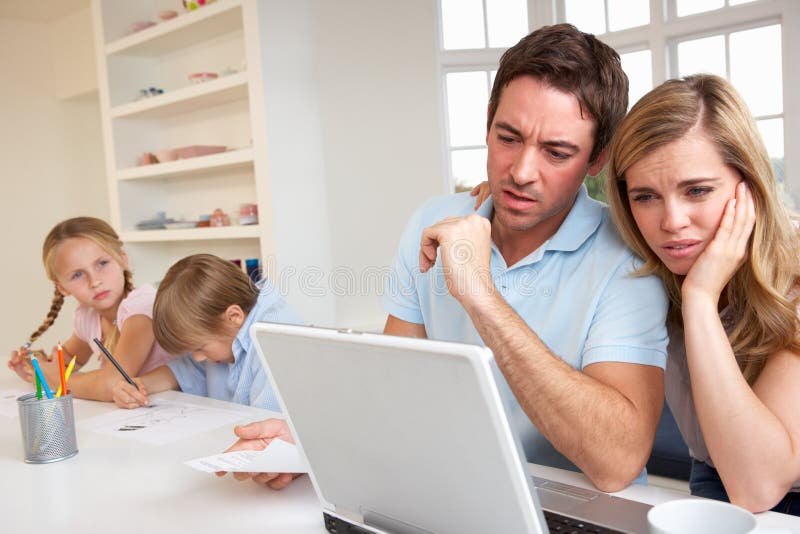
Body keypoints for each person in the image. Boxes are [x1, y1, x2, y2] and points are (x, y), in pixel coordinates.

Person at [379, 23, 669, 492]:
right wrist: (307, 437)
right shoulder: (430, 221)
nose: (520, 172)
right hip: (454, 488)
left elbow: (617, 460)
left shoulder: (629, 258)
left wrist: (482, 298)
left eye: (557, 152)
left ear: (597, 159)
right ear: (489, 118)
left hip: (572, 505)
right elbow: (393, 389)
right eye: (508, 137)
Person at [605, 74, 800, 514]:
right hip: (710, 480)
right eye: (646, 196)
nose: (672, 221)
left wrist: (699, 300)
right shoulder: (643, 270)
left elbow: (757, 486)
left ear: (748, 182)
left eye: (697, 190)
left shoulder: (795, 277)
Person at [7, 217, 174, 401]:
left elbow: (111, 384)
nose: (95, 281)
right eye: (78, 274)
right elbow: (70, 360)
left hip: (180, 407)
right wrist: (36, 370)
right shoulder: (87, 316)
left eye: (102, 263)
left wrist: (58, 382)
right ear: (61, 287)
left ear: (122, 259)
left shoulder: (142, 308)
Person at [111, 253, 302, 413]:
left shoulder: (275, 340)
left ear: (234, 316)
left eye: (200, 348)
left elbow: (265, 425)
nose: (198, 358)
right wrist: (140, 386)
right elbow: (185, 370)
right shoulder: (222, 331)